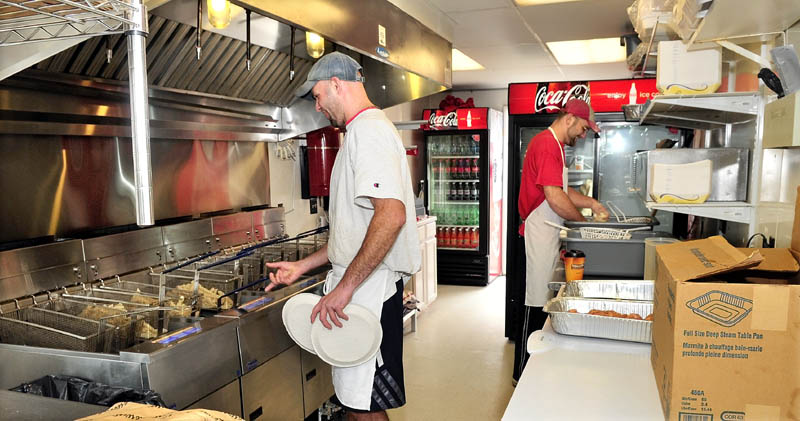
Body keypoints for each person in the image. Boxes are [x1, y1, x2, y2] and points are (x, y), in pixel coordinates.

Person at [264, 51, 421, 420]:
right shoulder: (360, 133)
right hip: (362, 289)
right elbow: (356, 232)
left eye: (318, 95)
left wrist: (345, 288)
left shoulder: (369, 131)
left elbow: (391, 216)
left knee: (364, 406)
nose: (317, 106)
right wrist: (303, 266)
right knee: (357, 402)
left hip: (369, 292)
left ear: (337, 84)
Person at [513, 98, 608, 382]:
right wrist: (583, 224)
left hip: (548, 230)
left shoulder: (555, 146)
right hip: (537, 231)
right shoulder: (546, 144)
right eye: (582, 128)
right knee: (534, 303)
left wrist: (592, 203)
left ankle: (536, 369)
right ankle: (522, 373)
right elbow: (555, 198)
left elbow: (562, 191)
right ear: (569, 119)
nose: (582, 134)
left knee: (544, 300)